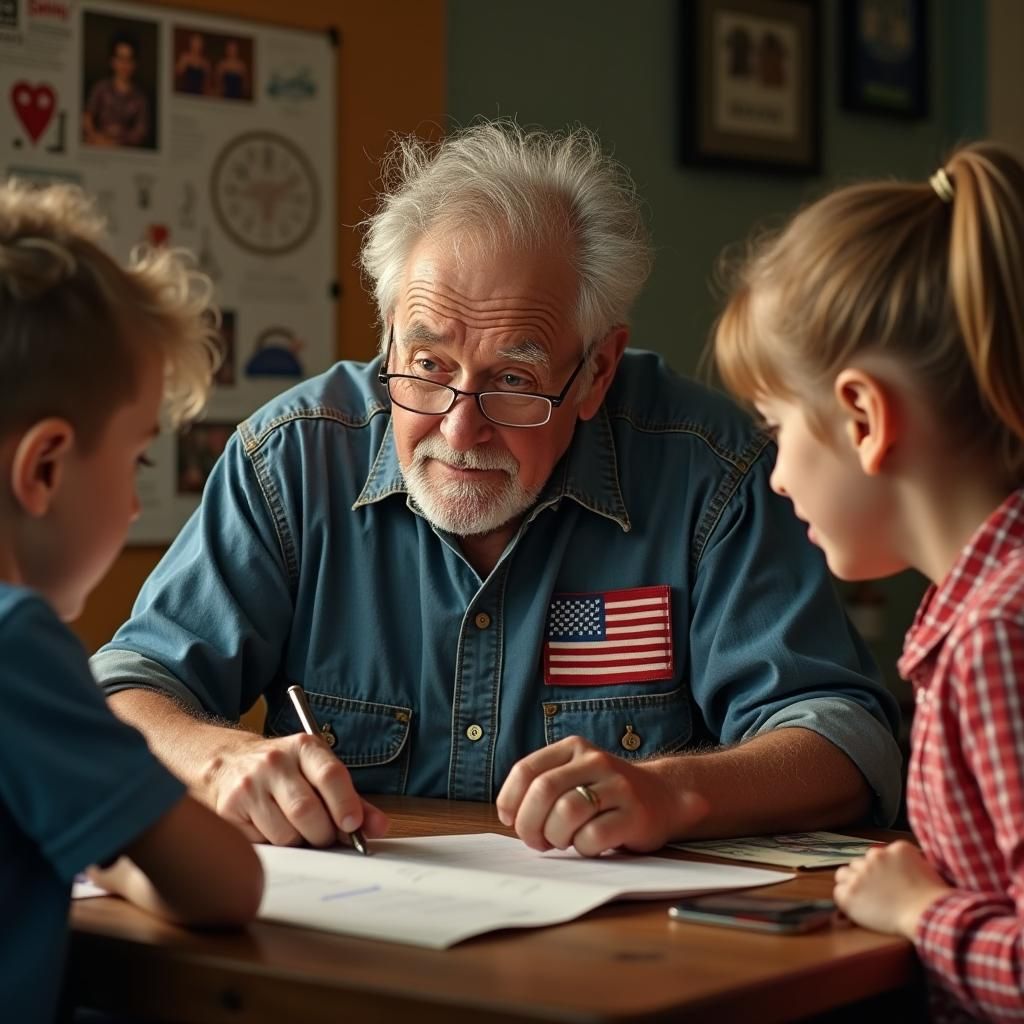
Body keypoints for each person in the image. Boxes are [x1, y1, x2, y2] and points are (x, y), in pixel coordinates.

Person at [92, 121, 901, 860]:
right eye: (428, 366)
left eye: (513, 380)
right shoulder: (292, 459)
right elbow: (127, 686)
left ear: (597, 370)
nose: (458, 428)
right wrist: (219, 757)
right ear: (386, 338)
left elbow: (844, 737)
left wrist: (674, 791)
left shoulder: (706, 469)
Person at [713, 142, 1024, 1022]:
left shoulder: (998, 637)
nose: (775, 476)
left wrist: (920, 911)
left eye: (778, 429)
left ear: (862, 416)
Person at [0, 178, 263, 1023]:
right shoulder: (18, 651)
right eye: (139, 461)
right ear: (45, 468)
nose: (133, 502)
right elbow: (226, 883)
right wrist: (115, 841)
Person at [82, 33, 150, 148]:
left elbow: (140, 132)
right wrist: (95, 137)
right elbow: (87, 116)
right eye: (120, 58)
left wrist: (114, 144)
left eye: (128, 60)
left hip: (124, 154)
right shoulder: (101, 88)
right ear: (112, 61)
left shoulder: (140, 98)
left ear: (134, 64)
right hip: (97, 148)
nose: (124, 64)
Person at [175, 32, 211, 96]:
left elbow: (206, 83)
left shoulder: (205, 62)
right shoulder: (185, 57)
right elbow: (178, 74)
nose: (197, 45)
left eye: (199, 43)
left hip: (199, 94)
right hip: (185, 92)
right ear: (191, 43)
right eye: (195, 42)